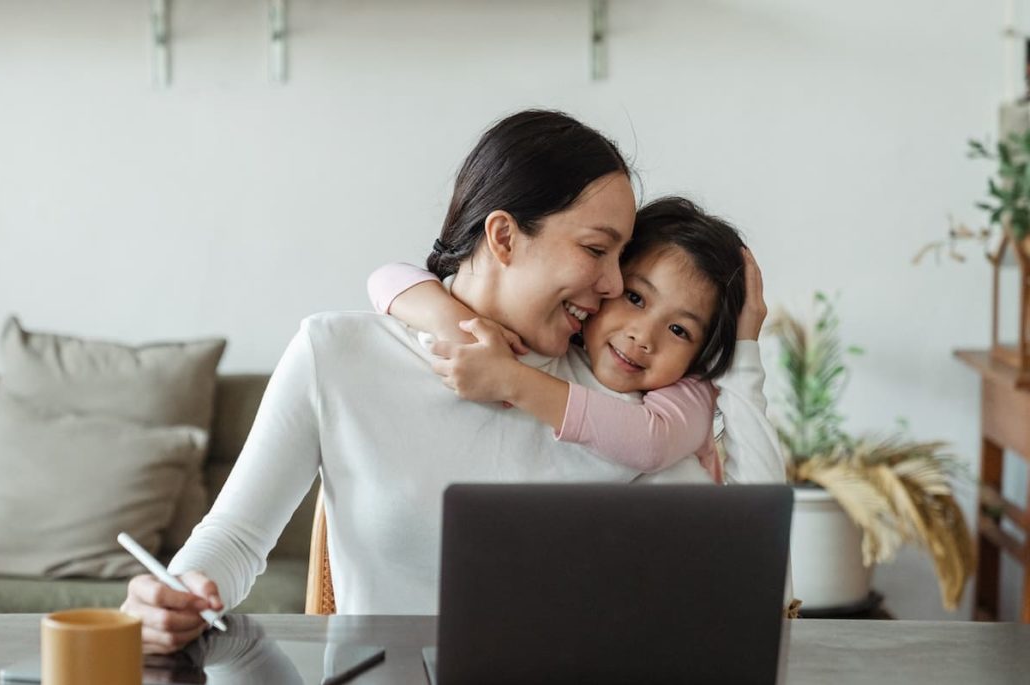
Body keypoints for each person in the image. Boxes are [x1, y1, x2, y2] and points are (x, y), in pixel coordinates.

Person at [121, 110, 782, 654]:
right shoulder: (337, 353)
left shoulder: (627, 401)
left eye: (622, 258)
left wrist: (745, 353)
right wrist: (176, 590)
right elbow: (235, 539)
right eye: (595, 249)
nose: (613, 285)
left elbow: (744, 577)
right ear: (503, 236)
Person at [366, 196, 780, 484]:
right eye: (634, 297)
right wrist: (457, 325)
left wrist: (510, 379)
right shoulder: (559, 345)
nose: (643, 336)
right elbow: (387, 277)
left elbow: (650, 442)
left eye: (679, 330)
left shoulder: (687, 393)